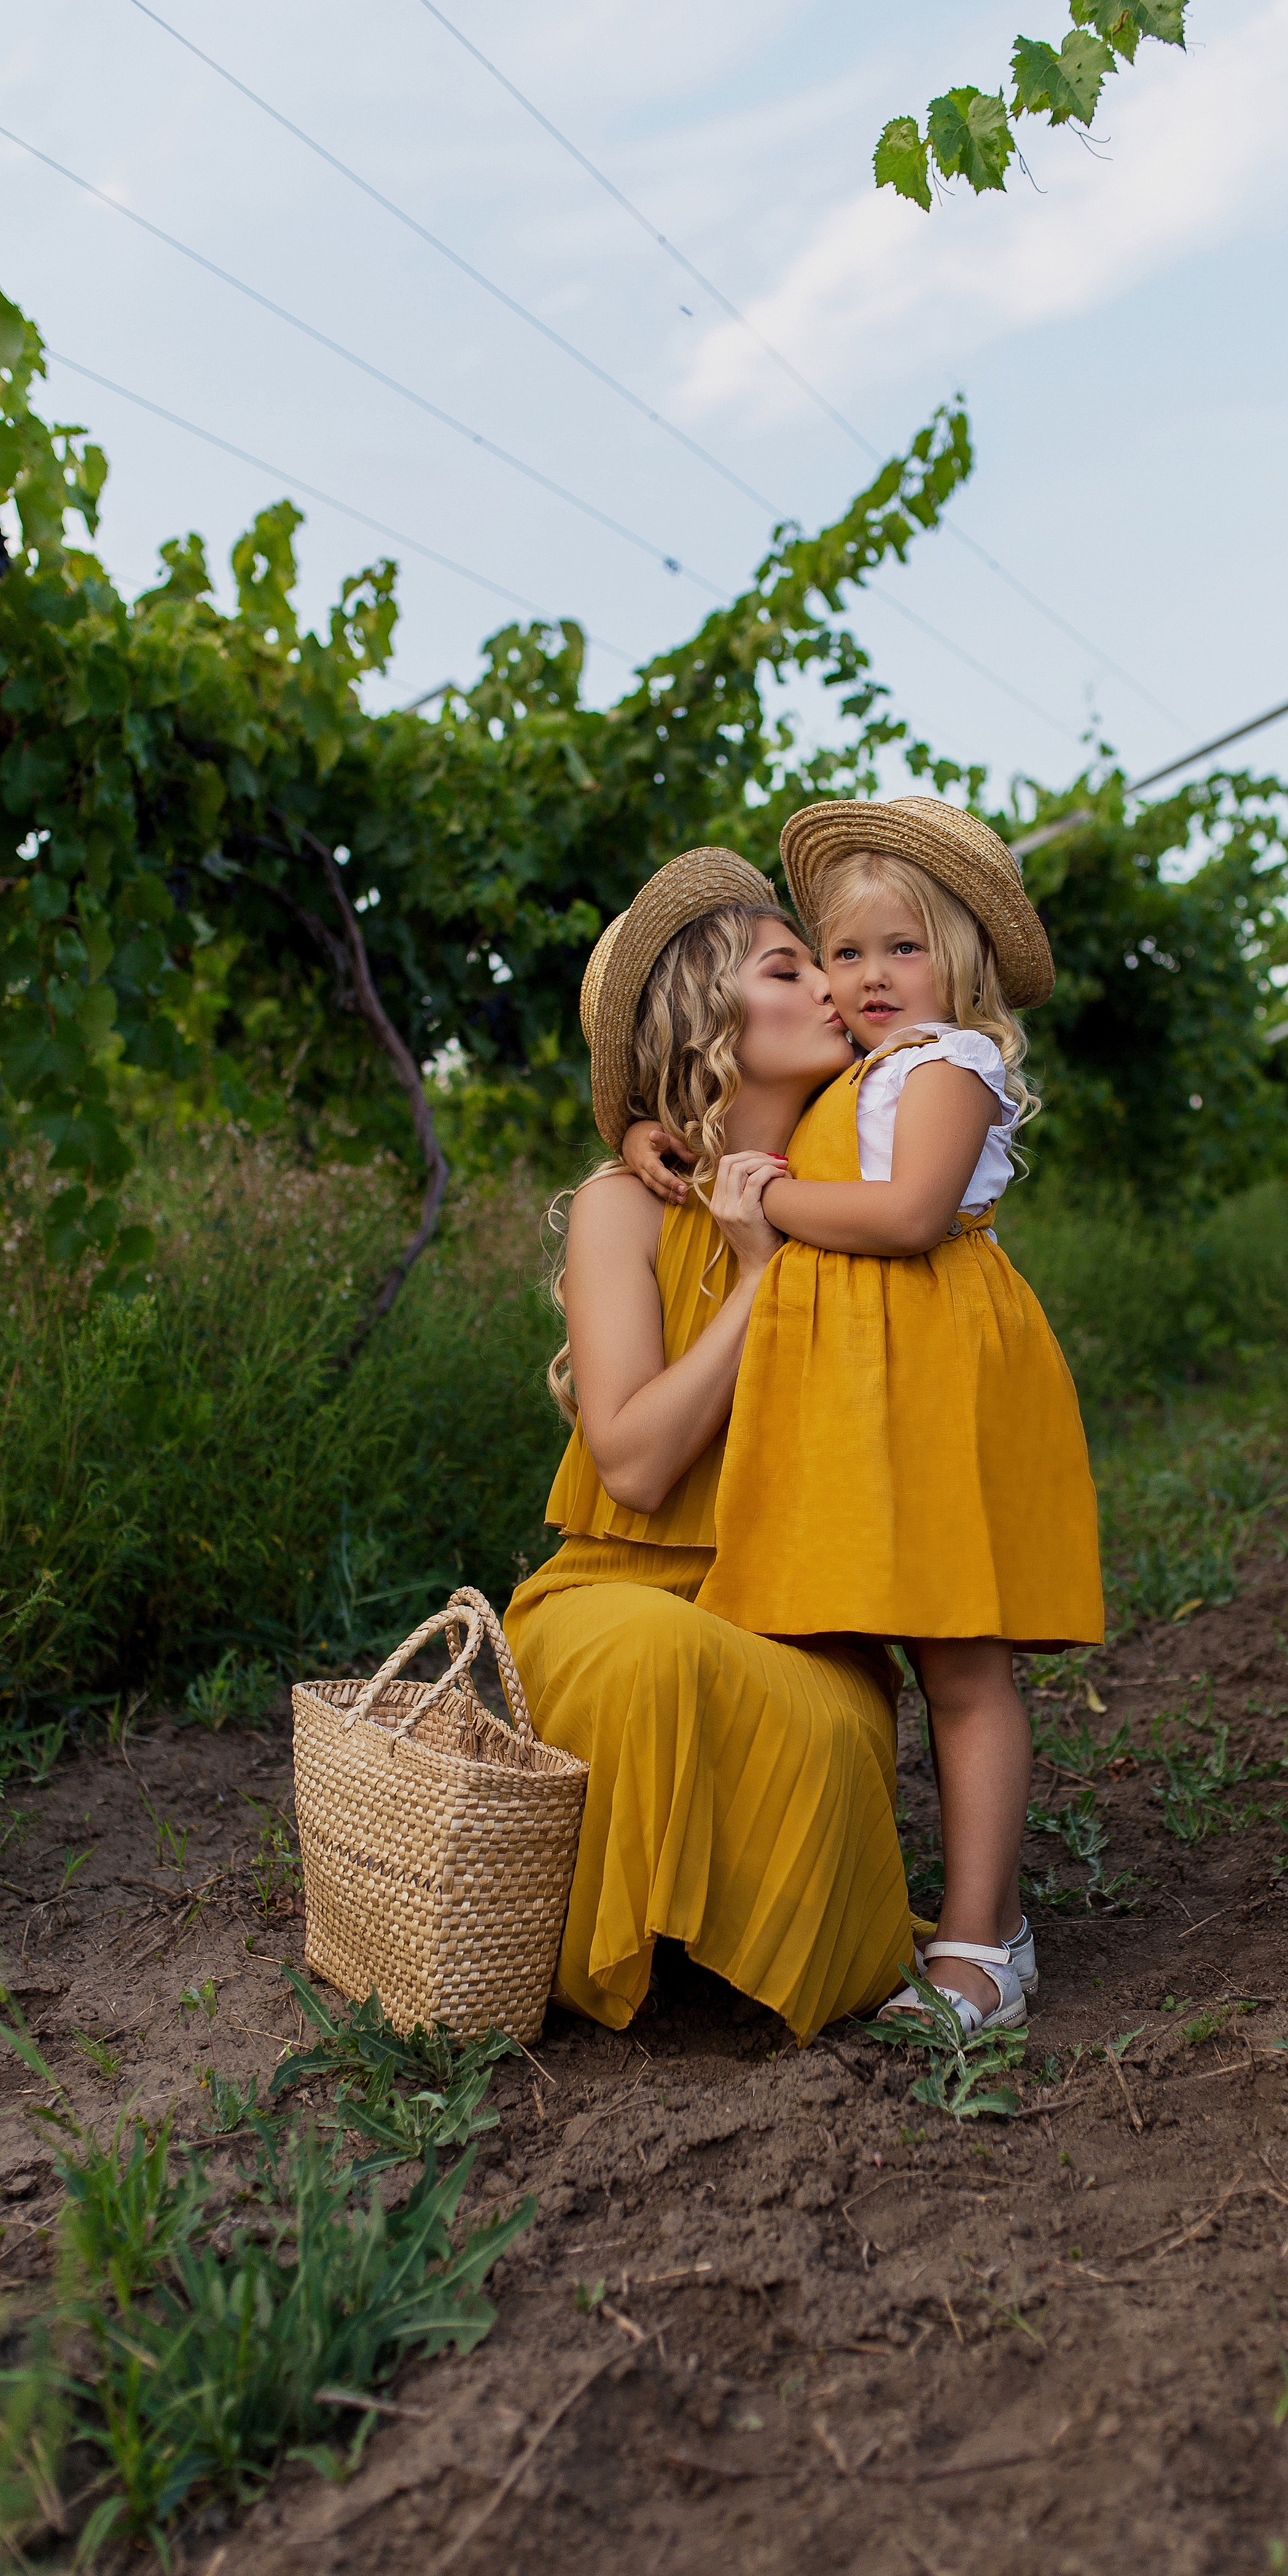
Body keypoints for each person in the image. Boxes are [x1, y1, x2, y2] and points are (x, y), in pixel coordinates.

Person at [625, 797, 1101, 2039]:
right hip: (869, 1394)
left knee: (960, 1659)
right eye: (846, 953)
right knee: (885, 1648)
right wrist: (645, 1130)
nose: (871, 979)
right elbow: (730, 1109)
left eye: (905, 949)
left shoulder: (949, 1064)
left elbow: (903, 1217)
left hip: (934, 1383)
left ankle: (984, 1940)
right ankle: (888, 1907)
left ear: (961, 963)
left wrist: (773, 1207)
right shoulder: (870, 1071)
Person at [501, 847, 913, 2047]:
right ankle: (656, 1923)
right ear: (704, 1015)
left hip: (794, 1618)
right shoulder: (621, 1207)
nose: (838, 987)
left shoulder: (865, 1183)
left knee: (838, 1735)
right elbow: (630, 1463)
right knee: (649, 1652)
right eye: (793, 968)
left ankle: (717, 1923)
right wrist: (756, 1278)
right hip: (616, 1597)